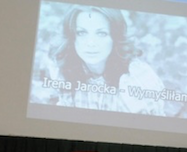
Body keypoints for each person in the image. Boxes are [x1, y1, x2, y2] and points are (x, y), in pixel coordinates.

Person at [35, 5, 165, 115]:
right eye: (81, 33)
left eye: (101, 33)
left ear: (115, 37)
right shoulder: (65, 68)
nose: (91, 43)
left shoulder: (136, 78)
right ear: (72, 37)